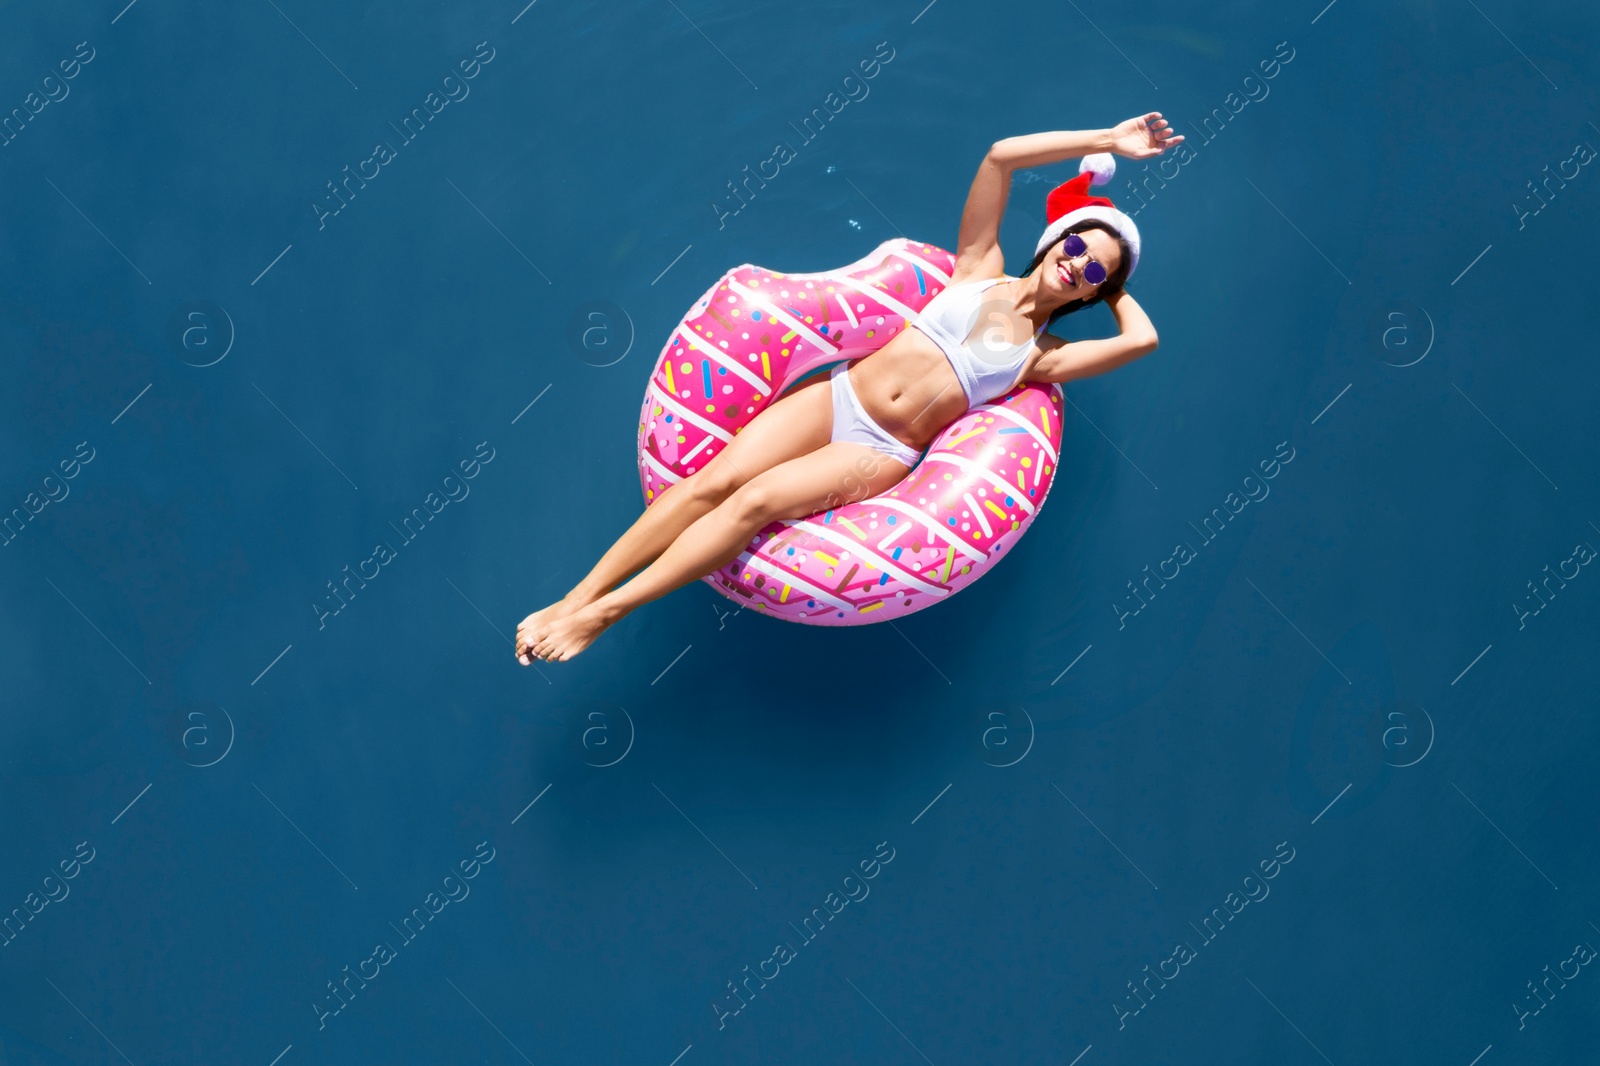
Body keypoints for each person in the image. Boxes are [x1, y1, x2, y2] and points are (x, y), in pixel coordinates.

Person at [516, 113, 1183, 664]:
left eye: (1096, 271)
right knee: (707, 485)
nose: (1079, 265)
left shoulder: (1043, 358)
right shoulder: (977, 267)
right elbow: (1000, 157)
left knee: (755, 502)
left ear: (1099, 290)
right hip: (837, 396)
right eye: (1077, 248)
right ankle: (574, 598)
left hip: (879, 451)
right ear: (1054, 243)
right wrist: (1104, 144)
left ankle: (606, 614)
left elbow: (1142, 341)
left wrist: (1122, 279)